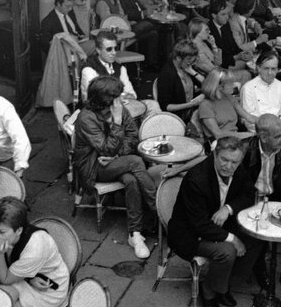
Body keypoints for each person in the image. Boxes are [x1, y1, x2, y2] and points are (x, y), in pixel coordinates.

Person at [167, 137, 255, 307]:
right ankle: (208, 291)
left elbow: (248, 194)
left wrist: (227, 208)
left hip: (218, 224)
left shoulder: (237, 169)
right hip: (189, 234)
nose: (228, 166)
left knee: (256, 238)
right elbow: (199, 224)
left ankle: (223, 285)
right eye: (224, 160)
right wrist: (232, 238)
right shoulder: (197, 179)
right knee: (227, 251)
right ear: (215, 155)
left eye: (234, 162)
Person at [73, 76, 158, 259]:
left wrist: (118, 155)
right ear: (106, 100)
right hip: (94, 166)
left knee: (131, 179)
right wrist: (117, 122)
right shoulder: (86, 118)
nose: (122, 98)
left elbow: (132, 137)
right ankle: (158, 210)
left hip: (115, 161)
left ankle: (135, 234)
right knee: (136, 162)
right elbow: (105, 148)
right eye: (117, 96)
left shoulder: (119, 109)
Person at [95, 0, 160, 70]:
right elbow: (108, 23)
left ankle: (150, 64)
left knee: (153, 33)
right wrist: (125, 24)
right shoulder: (102, 3)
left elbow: (122, 17)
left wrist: (128, 23)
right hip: (116, 34)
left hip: (124, 29)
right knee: (149, 24)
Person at [111, 0, 162, 69]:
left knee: (153, 33)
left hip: (138, 20)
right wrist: (143, 14)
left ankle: (152, 63)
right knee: (155, 24)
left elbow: (137, 3)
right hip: (129, 25)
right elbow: (124, 14)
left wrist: (147, 10)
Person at [199, 69, 257, 141]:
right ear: (219, 86)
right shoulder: (205, 105)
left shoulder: (229, 98)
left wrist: (268, 122)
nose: (234, 85)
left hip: (235, 137)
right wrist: (243, 135)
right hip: (221, 142)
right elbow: (218, 134)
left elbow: (249, 117)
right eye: (230, 83)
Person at [156, 41, 205, 123]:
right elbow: (165, 106)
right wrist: (191, 104)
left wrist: (193, 72)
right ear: (178, 58)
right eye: (188, 60)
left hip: (190, 113)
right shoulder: (168, 74)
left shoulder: (186, 67)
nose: (191, 63)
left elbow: (206, 85)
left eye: (193, 60)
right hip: (177, 119)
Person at [80, 30, 136, 99]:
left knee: (152, 104)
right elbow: (99, 99)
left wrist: (123, 96)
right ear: (98, 50)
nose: (114, 52)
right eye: (109, 49)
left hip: (119, 106)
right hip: (96, 108)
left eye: (116, 48)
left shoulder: (120, 68)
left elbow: (132, 95)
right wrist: (123, 95)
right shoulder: (88, 70)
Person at [241, 53, 281, 129]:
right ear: (258, 68)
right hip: (258, 132)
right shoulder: (248, 88)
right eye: (266, 68)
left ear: (278, 70)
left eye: (273, 69)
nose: (270, 73)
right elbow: (249, 121)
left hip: (279, 129)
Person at [221, 0, 270, 65]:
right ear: (248, 9)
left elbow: (249, 20)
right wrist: (257, 42)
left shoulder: (240, 16)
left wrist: (254, 24)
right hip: (239, 57)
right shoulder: (234, 24)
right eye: (253, 7)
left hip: (248, 52)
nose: (253, 9)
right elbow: (239, 48)